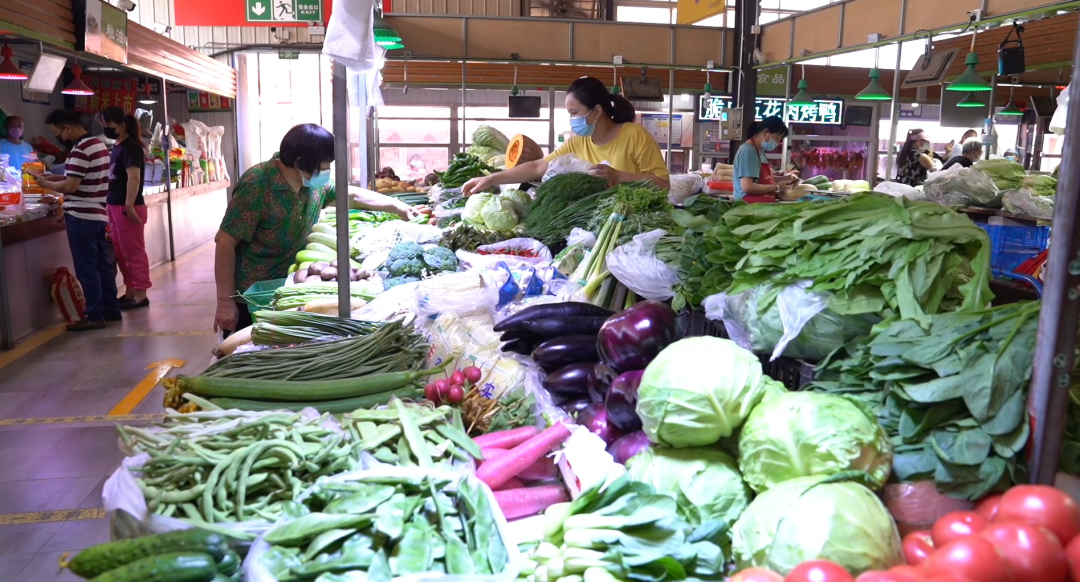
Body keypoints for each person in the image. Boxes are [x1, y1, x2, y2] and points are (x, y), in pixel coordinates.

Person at [214, 124, 428, 336]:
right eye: (324, 166)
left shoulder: (312, 183)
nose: (327, 172)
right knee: (248, 355)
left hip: (292, 285)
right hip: (253, 294)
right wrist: (225, 301)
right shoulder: (257, 184)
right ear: (299, 163)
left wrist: (397, 206)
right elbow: (225, 242)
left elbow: (350, 195)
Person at [462, 76, 669, 195]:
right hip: (599, 218)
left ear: (596, 111)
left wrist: (618, 175)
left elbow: (663, 183)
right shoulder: (579, 141)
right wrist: (490, 179)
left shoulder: (634, 135)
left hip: (635, 220)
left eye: (574, 113)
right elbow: (537, 166)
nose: (572, 120)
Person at [30, 109, 119, 331]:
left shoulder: (80, 149)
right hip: (98, 215)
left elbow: (71, 187)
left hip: (81, 216)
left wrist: (46, 184)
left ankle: (95, 316)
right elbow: (81, 178)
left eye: (57, 131)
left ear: (67, 128)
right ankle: (111, 309)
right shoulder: (99, 145)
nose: (58, 136)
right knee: (103, 265)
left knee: (86, 268)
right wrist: (56, 177)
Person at [99, 106, 151, 309]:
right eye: (103, 125)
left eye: (109, 125)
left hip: (127, 207)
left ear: (121, 125)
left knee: (133, 253)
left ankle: (140, 294)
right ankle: (130, 291)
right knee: (121, 253)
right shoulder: (118, 147)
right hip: (114, 205)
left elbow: (134, 177)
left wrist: (129, 205)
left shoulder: (131, 147)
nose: (106, 128)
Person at [732, 116, 796, 203]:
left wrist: (786, 178)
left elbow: (763, 179)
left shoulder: (759, 151)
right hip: (746, 206)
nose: (777, 143)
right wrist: (777, 187)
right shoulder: (748, 151)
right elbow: (747, 186)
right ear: (766, 132)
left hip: (758, 203)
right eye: (777, 138)